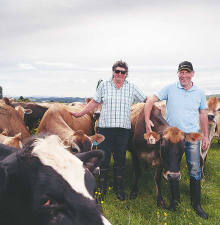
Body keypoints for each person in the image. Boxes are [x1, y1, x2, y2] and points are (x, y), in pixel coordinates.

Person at [70, 60, 147, 201]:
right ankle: (102, 189)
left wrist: (155, 107)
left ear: (126, 74)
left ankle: (119, 189)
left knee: (120, 158)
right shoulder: (104, 86)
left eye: (122, 72)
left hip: (123, 130)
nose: (119, 74)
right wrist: (80, 113)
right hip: (105, 128)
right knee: (104, 158)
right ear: (113, 72)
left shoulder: (132, 88)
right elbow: (94, 102)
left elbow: (146, 99)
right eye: (117, 71)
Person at [144, 61, 209, 219]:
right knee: (173, 165)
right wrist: (147, 120)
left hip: (191, 135)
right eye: (181, 72)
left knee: (194, 168)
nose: (184, 75)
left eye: (187, 73)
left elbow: (202, 114)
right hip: (173, 136)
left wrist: (206, 135)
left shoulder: (199, 92)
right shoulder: (169, 88)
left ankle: (196, 205)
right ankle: (175, 201)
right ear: (178, 73)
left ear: (192, 74)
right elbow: (150, 100)